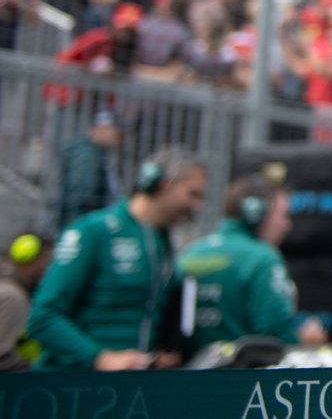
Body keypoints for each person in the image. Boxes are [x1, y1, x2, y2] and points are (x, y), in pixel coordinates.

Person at [27, 145, 207, 370]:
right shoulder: (94, 231)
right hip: (72, 388)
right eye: (192, 194)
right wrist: (100, 358)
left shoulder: (164, 244)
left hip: (127, 391)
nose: (197, 205)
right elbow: (42, 317)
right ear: (162, 185)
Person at [175, 174, 327, 352]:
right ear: (255, 213)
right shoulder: (263, 258)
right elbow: (276, 335)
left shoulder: (189, 254)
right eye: (284, 216)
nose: (287, 226)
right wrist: (303, 340)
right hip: (241, 375)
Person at [56, 109, 125, 230]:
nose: (121, 137)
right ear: (103, 129)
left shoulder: (97, 153)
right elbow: (80, 196)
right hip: (82, 225)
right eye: (116, 131)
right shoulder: (87, 156)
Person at [0, 230, 53, 371]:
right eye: (48, 259)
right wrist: (37, 371)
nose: (51, 268)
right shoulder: (13, 297)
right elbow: (2, 356)